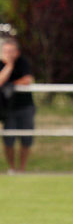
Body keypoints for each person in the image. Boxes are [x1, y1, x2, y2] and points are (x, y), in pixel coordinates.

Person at [0, 38, 35, 173]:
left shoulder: (23, 62)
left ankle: (22, 169)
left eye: (11, 51)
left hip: (25, 107)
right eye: (6, 51)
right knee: (9, 139)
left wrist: (11, 85)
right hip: (7, 109)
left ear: (17, 52)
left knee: (26, 138)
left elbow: (28, 80)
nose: (9, 54)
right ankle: (12, 168)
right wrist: (9, 66)